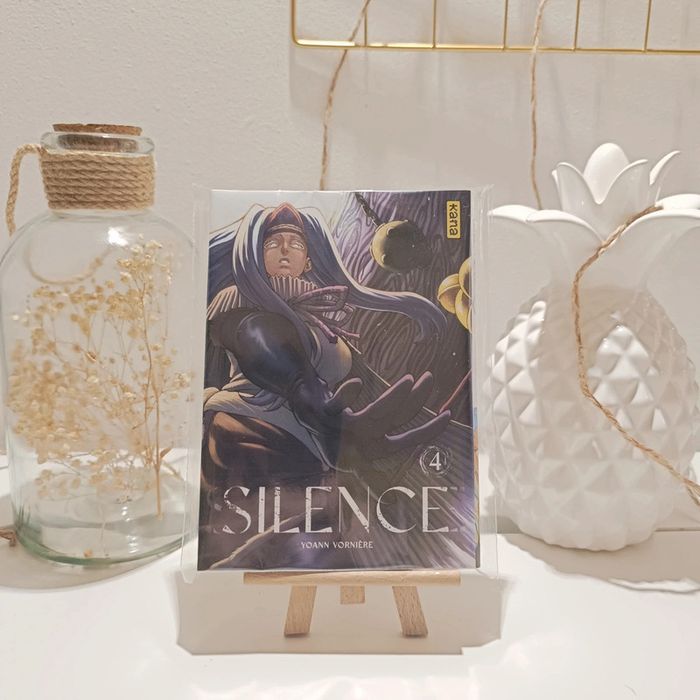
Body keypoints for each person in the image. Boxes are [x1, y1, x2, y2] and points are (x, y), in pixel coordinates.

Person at [199, 202, 453, 569]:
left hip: (307, 449)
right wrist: (309, 399)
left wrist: (352, 440)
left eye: (295, 244)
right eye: (272, 243)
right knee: (273, 542)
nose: (285, 250)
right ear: (256, 255)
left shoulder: (322, 316)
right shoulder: (238, 301)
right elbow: (257, 337)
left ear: (308, 260)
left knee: (314, 543)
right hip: (250, 432)